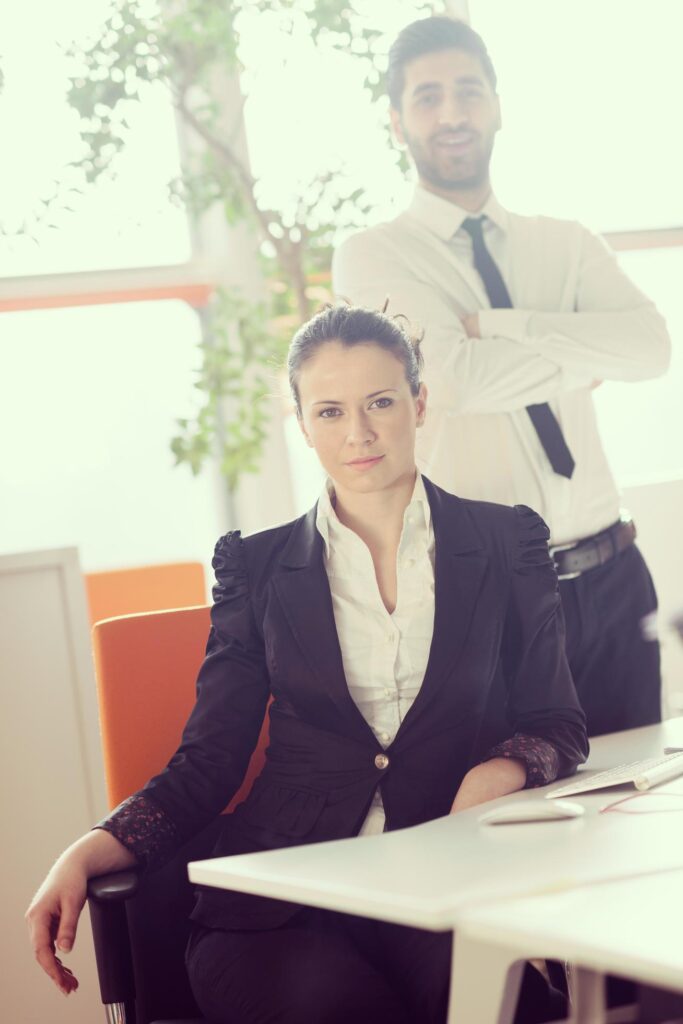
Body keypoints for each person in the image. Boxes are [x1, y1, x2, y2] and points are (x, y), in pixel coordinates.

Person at [26, 305, 587, 1024]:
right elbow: (209, 760)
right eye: (329, 411)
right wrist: (84, 851)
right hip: (281, 902)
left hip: (444, 883)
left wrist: (490, 777)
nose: (358, 433)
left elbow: (556, 721)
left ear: (418, 402)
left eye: (380, 402)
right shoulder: (256, 567)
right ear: (302, 425)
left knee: (511, 1011)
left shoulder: (506, 540)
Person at [332, 16, 671, 739]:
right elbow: (452, 381)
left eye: (467, 92)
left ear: (496, 105)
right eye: (427, 98)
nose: (450, 114)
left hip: (614, 573)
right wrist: (583, 356)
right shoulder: (374, 256)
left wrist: (514, 327)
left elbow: (648, 350)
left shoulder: (566, 241)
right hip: (494, 592)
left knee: (639, 806)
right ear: (396, 122)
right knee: (514, 821)